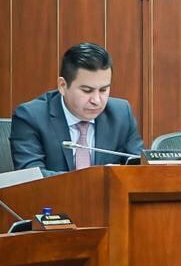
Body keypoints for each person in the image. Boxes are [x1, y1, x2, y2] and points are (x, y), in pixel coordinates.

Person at [10, 42, 143, 175]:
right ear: (62, 85)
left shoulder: (121, 114)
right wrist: (96, 180)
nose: (96, 100)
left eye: (103, 90)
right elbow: (32, 178)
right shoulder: (31, 117)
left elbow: (141, 169)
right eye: (87, 90)